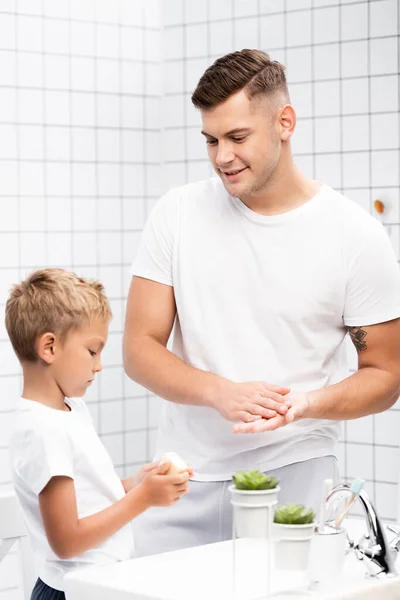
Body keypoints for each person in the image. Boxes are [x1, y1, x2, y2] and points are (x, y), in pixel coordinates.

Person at [123, 49, 400, 557]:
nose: (221, 156)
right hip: (183, 478)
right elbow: (139, 349)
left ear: (285, 122)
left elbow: (385, 376)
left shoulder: (354, 236)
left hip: (296, 475)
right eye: (210, 140)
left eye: (237, 137)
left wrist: (307, 404)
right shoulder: (177, 213)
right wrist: (218, 392)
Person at [5, 268, 191, 599]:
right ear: (49, 347)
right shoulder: (43, 431)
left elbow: (84, 503)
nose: (99, 365)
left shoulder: (69, 411)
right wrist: (143, 497)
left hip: (95, 584)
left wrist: (134, 483)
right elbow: (67, 541)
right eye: (93, 351)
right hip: (72, 591)